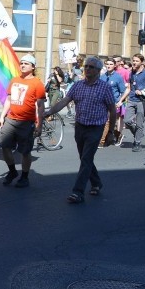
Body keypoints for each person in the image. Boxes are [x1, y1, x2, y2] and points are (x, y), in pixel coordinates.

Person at [44, 57, 117, 203]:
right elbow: (64, 102)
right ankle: (96, 183)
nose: (87, 69)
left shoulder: (104, 87)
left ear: (97, 71)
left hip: (96, 128)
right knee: (85, 158)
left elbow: (112, 110)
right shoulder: (78, 86)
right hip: (80, 126)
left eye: (91, 67)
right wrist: (49, 112)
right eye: (86, 66)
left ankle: (78, 192)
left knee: (86, 159)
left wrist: (110, 132)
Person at [0, 54, 45, 188]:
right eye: (21, 63)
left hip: (26, 122)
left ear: (33, 67)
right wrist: (2, 116)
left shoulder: (37, 83)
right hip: (11, 119)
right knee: (4, 146)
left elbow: (40, 106)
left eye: (26, 63)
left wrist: (39, 124)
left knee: (25, 151)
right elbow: (8, 100)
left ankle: (24, 177)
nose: (23, 65)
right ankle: (12, 171)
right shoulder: (14, 80)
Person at [123, 53, 145, 152]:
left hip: (142, 101)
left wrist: (142, 91)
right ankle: (137, 134)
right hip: (131, 99)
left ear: (141, 62)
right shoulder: (131, 73)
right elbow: (129, 87)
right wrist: (123, 99)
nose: (134, 63)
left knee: (139, 123)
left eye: (136, 61)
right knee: (127, 121)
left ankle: (137, 142)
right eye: (133, 61)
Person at [99, 58, 128, 147]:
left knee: (107, 121)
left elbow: (123, 91)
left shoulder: (118, 77)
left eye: (111, 64)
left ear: (115, 65)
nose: (109, 66)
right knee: (108, 123)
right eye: (107, 64)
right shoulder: (102, 77)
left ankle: (101, 141)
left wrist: (121, 102)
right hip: (103, 103)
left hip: (113, 103)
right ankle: (118, 135)